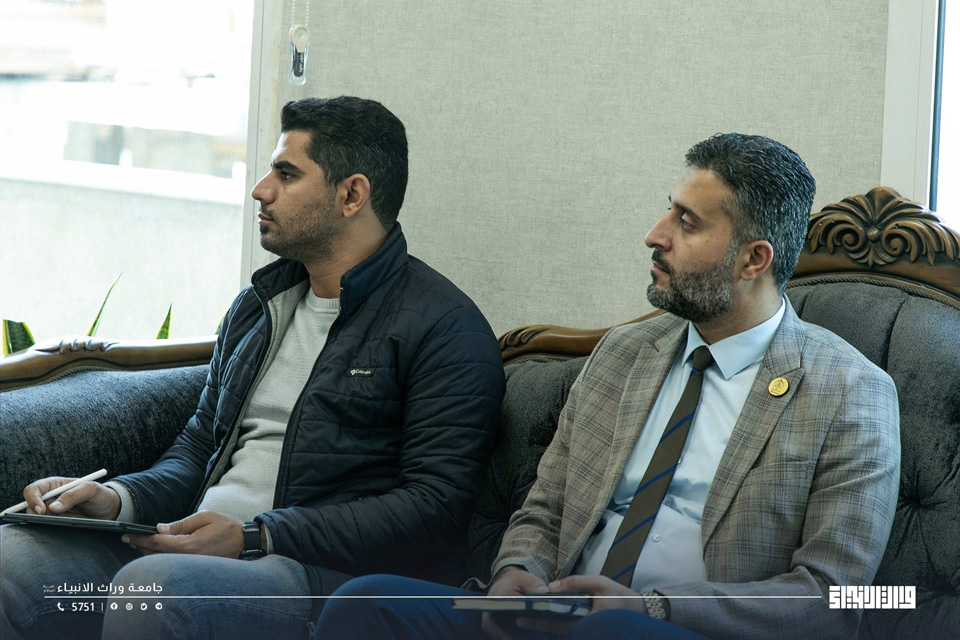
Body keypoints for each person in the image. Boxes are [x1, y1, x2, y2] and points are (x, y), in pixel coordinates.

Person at [312, 133, 901, 640]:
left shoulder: (850, 393)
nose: (654, 235)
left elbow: (836, 595)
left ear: (753, 260)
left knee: (610, 632)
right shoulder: (624, 354)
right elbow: (545, 509)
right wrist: (517, 572)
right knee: (366, 603)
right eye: (669, 210)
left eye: (687, 223)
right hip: (557, 616)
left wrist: (652, 608)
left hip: (678, 629)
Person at [0, 96, 505, 640]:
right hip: (189, 548)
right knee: (10, 559)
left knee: (156, 588)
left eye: (287, 174)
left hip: (318, 574)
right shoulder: (259, 307)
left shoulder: (444, 329)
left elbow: (432, 509)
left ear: (352, 195)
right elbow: (200, 448)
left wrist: (255, 535)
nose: (261, 190)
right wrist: (118, 501)